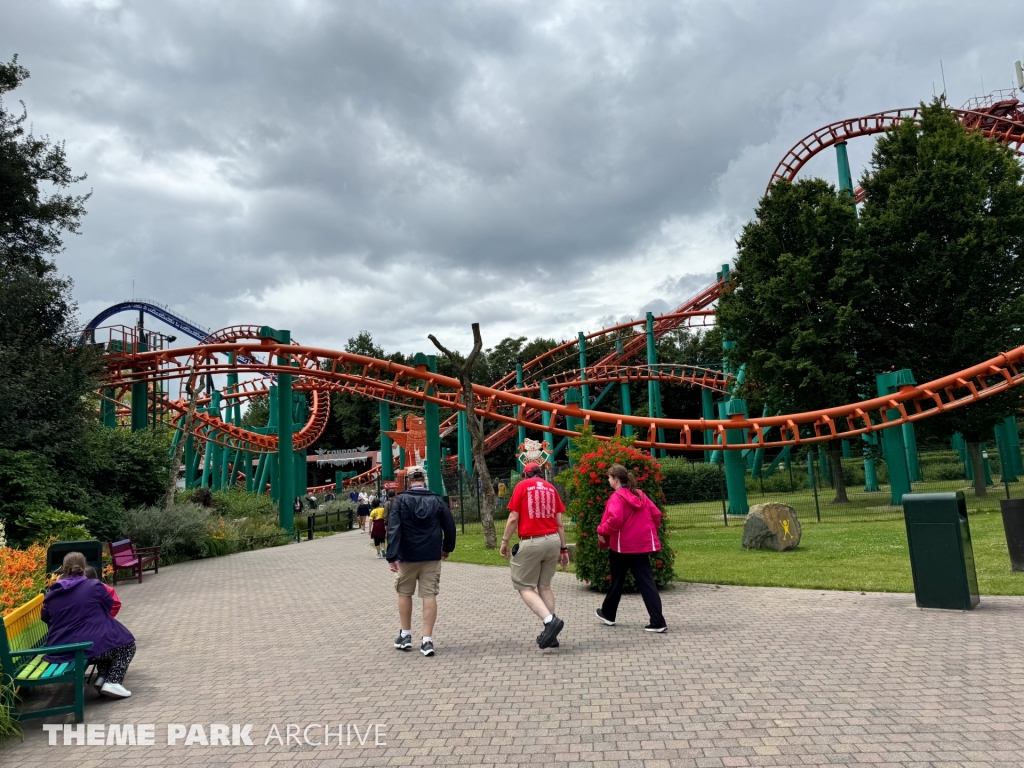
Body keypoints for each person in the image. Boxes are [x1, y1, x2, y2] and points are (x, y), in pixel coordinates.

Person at [41, 552, 136, 698]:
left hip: (59, 649)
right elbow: (109, 606)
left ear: (63, 568)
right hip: (82, 648)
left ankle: (102, 678)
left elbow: (45, 617)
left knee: (107, 643)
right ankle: (113, 682)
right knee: (126, 645)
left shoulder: (53, 591)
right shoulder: (94, 586)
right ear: (84, 566)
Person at [385, 466, 456, 657]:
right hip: (431, 554)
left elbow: (394, 529)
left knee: (404, 592)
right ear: (424, 480)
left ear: (408, 481)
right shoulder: (437, 500)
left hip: (407, 555)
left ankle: (406, 635)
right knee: (429, 594)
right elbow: (449, 526)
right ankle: (427, 640)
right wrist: (447, 548)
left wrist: (392, 555)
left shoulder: (400, 501)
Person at [500, 462, 569, 649]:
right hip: (553, 540)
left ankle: (549, 622)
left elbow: (514, 518)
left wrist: (505, 541)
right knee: (544, 585)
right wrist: (564, 549)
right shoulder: (551, 488)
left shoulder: (522, 486)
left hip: (532, 541)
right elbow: (560, 523)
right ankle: (551, 634)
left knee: (524, 586)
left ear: (525, 475)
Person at [595, 464, 667, 632]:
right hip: (641, 545)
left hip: (622, 547)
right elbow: (656, 514)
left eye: (609, 477)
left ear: (616, 479)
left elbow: (615, 519)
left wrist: (601, 530)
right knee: (647, 583)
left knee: (617, 581)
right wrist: (648, 532)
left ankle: (609, 614)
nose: (608, 480)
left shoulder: (616, 497)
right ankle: (657, 620)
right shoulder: (640, 494)